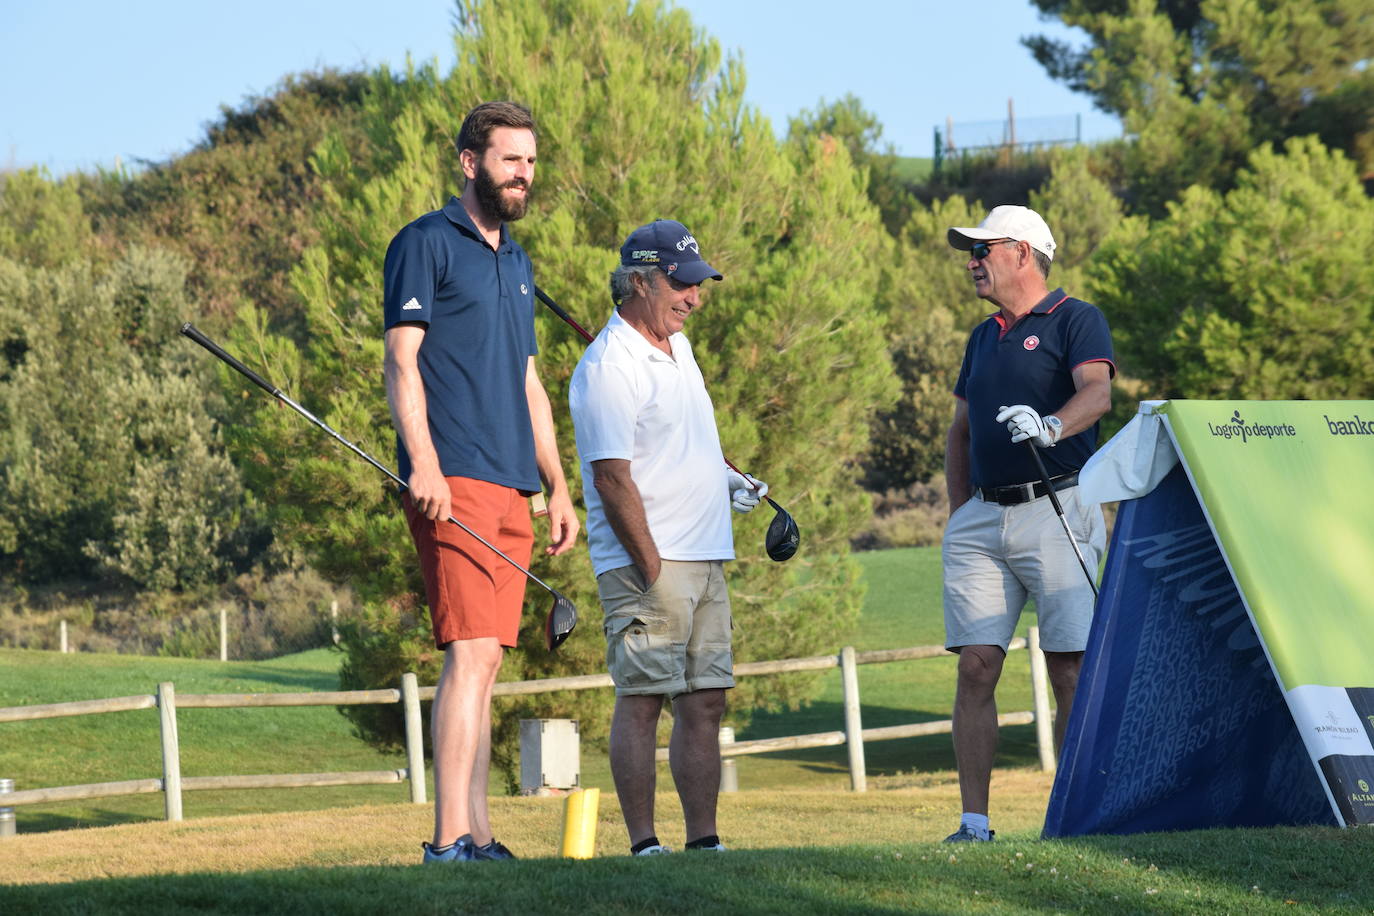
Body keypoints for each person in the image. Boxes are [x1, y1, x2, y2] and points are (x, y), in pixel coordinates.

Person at [382, 100, 580, 864]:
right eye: (510, 160)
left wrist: (556, 485)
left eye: (531, 161)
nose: (524, 174)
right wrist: (422, 462)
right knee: (469, 652)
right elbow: (402, 362)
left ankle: (482, 835)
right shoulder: (425, 243)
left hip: (511, 482)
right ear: (471, 163)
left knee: (490, 657)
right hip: (453, 475)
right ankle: (446, 841)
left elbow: (530, 380)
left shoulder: (516, 259)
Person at [568, 219, 767, 856]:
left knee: (706, 699)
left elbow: (682, 442)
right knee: (644, 699)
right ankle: (643, 844)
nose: (694, 296)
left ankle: (703, 842)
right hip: (647, 562)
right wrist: (651, 566)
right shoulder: (608, 365)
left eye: (698, 283)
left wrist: (726, 479)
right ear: (639, 282)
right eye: (681, 283)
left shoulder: (678, 348)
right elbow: (611, 477)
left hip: (706, 554)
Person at [940, 205, 1115, 843]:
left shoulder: (1076, 318)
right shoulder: (983, 336)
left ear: (1020, 252)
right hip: (984, 519)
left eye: (982, 250)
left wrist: (1050, 426)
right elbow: (959, 433)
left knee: (1067, 666)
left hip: (1059, 505)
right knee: (976, 666)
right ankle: (974, 823)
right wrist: (962, 514)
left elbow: (1097, 394)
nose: (972, 261)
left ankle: (1072, 822)